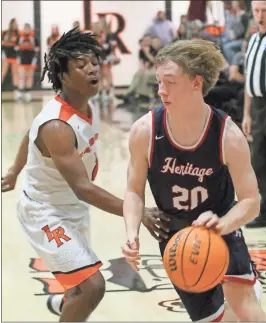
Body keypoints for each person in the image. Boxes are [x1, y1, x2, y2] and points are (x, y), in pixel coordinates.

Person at [1, 28, 169, 322]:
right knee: (91, 287)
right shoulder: (57, 126)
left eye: (93, 62)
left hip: (71, 208)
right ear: (64, 76)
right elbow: (83, 187)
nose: (92, 68)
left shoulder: (81, 106)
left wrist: (15, 170)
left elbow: (30, 132)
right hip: (45, 213)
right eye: (81, 65)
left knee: (77, 281)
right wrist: (136, 212)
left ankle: (61, 303)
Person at [121, 39, 266, 322]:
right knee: (215, 320)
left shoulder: (228, 135)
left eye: (170, 82)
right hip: (176, 238)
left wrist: (223, 225)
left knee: (248, 311)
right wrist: (132, 230)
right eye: (158, 82)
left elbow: (251, 200)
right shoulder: (145, 131)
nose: (161, 90)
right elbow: (133, 190)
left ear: (195, 82)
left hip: (221, 230)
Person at [241, 0, 266, 231]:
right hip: (257, 107)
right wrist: (246, 113)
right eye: (256, 10)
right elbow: (248, 80)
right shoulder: (253, 39)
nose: (259, 15)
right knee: (260, 161)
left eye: (265, 10)